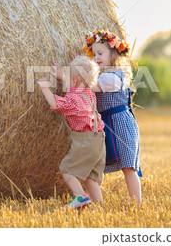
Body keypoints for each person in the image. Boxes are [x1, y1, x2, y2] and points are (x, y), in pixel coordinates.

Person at [52, 31, 142, 204]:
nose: (96, 58)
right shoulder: (103, 74)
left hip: (120, 124)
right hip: (103, 125)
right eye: (94, 54)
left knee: (128, 167)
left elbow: (86, 86)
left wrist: (68, 75)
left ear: (114, 54)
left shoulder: (112, 77)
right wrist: (81, 66)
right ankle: (91, 200)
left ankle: (136, 204)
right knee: (96, 167)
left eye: (100, 54)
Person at [37, 56, 106, 209]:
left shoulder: (73, 101)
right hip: (100, 140)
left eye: (68, 78)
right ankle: (99, 208)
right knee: (91, 179)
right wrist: (63, 76)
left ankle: (80, 197)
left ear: (73, 81)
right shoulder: (89, 94)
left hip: (85, 141)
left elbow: (55, 103)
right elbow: (75, 87)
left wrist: (45, 88)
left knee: (66, 169)